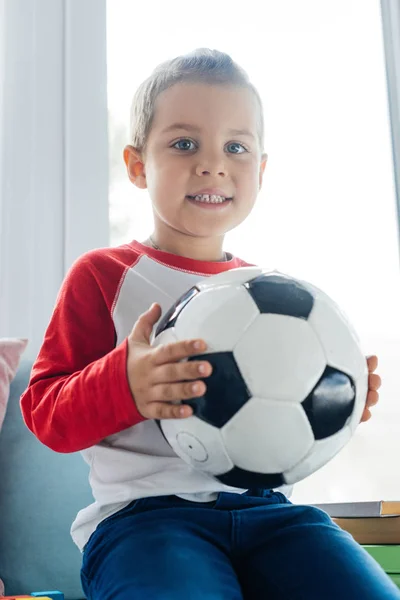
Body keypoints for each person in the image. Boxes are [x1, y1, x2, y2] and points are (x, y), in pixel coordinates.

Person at [20, 48, 396, 600]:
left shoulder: (279, 296)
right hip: (144, 522)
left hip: (274, 516)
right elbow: (46, 416)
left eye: (236, 147)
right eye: (184, 144)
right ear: (137, 164)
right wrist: (125, 382)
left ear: (260, 171)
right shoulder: (102, 276)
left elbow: (282, 425)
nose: (212, 164)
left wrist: (332, 401)